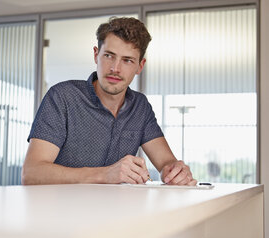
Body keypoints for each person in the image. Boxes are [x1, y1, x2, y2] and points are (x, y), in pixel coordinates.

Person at [22, 17, 197, 186]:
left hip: (116, 213)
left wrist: (175, 172)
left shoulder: (140, 107)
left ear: (140, 66)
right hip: (59, 212)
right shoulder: (63, 97)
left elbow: (167, 162)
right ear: (96, 55)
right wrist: (105, 174)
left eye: (127, 60)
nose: (115, 68)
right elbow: (31, 173)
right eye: (109, 56)